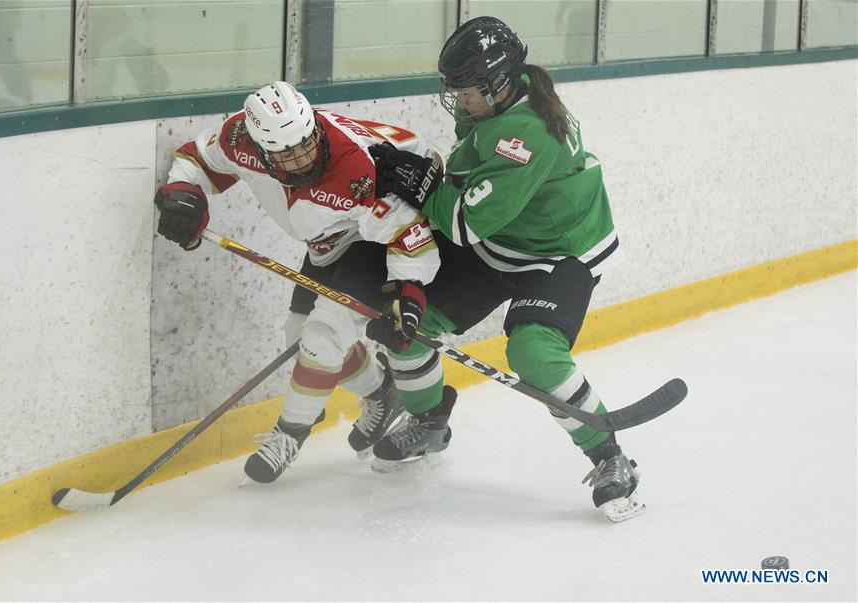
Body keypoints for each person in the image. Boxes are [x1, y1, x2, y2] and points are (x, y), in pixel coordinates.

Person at [365, 17, 643, 521]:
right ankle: (431, 423)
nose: (458, 101)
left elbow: (464, 222)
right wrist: (425, 178)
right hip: (502, 241)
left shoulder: (525, 132)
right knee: (408, 326)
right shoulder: (504, 101)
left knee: (534, 353)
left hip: (556, 253)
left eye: (466, 91)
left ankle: (610, 456)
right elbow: (469, 182)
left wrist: (425, 185)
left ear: (498, 84)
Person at [153, 81, 442, 483]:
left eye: (307, 143)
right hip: (328, 243)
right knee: (299, 335)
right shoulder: (241, 140)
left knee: (323, 334)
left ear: (314, 127)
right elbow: (198, 158)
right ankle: (381, 394)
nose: (303, 159)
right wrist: (186, 192)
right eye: (286, 154)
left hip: (378, 240)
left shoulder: (357, 169)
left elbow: (409, 233)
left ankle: (289, 435)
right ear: (261, 150)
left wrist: (407, 294)